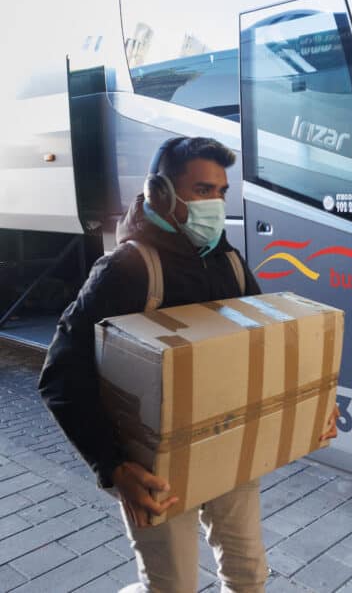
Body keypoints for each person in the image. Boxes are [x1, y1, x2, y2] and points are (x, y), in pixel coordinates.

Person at [38, 137, 269, 592]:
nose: (216, 204)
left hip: (226, 446)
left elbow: (267, 346)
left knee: (249, 575)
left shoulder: (229, 262)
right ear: (161, 193)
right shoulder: (125, 270)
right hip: (151, 467)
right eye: (203, 190)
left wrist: (307, 412)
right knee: (172, 586)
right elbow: (62, 376)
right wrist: (115, 468)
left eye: (222, 192)